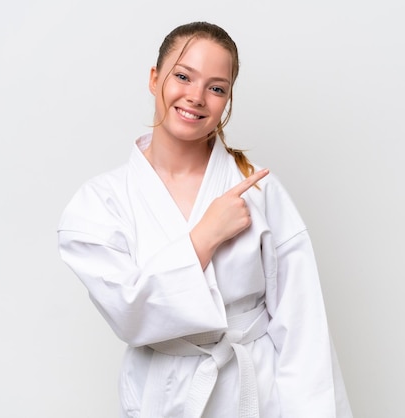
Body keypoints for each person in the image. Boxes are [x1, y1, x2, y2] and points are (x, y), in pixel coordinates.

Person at [57, 21, 352, 418]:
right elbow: (129, 314)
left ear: (228, 99)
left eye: (216, 88)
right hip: (160, 397)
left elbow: (303, 326)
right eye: (183, 76)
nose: (196, 97)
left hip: (255, 392)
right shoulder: (100, 203)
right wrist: (205, 236)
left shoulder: (257, 189)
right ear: (154, 78)